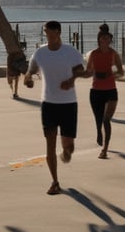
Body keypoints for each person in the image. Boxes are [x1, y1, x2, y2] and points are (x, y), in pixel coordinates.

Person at [24, 20, 85, 195]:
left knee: (68, 145)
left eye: (49, 31)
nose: (47, 35)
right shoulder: (40, 53)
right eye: (45, 31)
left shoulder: (70, 52)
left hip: (68, 104)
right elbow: (30, 71)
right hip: (48, 103)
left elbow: (80, 70)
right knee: (50, 144)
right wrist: (27, 79)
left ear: (58, 32)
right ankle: (55, 181)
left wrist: (71, 81)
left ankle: (67, 151)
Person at [83, 23, 124, 159]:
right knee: (98, 119)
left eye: (108, 38)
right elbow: (88, 72)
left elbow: (121, 72)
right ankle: (98, 132)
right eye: (103, 38)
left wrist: (110, 75)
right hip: (96, 91)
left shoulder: (114, 54)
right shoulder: (93, 54)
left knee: (106, 120)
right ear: (99, 39)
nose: (105, 40)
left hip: (111, 90)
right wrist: (86, 73)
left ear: (110, 40)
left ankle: (105, 149)